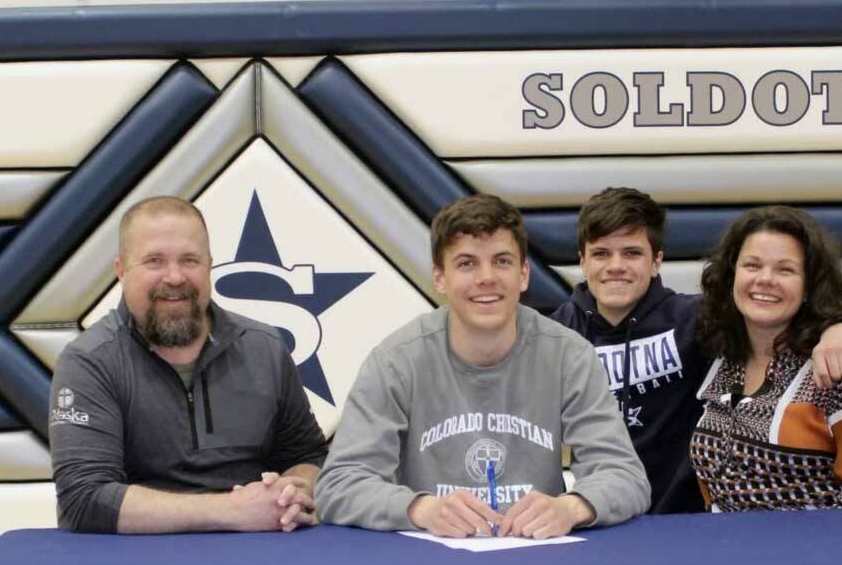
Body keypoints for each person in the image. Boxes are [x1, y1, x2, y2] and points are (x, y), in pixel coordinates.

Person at [316, 194, 650, 538]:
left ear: (523, 274)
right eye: (466, 264)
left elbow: (625, 476)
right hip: (429, 561)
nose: (486, 277)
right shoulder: (396, 361)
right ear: (440, 278)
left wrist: (571, 506)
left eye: (502, 261)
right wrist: (422, 509)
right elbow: (338, 484)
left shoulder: (570, 356)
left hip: (537, 558)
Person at [551, 187, 842, 514]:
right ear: (582, 261)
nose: (616, 266)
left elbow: (770, 306)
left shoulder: (695, 319)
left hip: (684, 520)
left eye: (632, 253)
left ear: (657, 261)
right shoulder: (557, 333)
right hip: (600, 513)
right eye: (601, 253)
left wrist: (839, 326)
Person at [49, 196, 328, 533]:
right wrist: (233, 510)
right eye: (154, 261)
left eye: (190, 260)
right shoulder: (90, 361)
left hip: (259, 554)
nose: (175, 277)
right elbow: (84, 500)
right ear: (121, 271)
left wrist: (294, 490)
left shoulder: (264, 347)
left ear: (209, 265)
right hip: (133, 562)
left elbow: (310, 456)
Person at [691, 205, 842, 510]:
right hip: (723, 548)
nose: (765, 279)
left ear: (809, 287)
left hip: (820, 554)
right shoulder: (723, 361)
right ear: (732, 275)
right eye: (752, 265)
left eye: (785, 270)